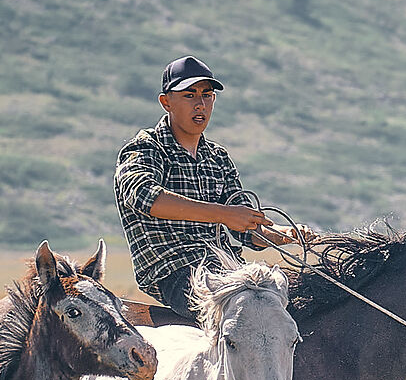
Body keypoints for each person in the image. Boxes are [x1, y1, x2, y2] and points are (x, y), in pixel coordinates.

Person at [114, 55, 307, 327]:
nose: (200, 104)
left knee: (302, 302)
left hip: (226, 266)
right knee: (248, 311)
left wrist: (284, 234)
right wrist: (223, 214)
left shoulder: (218, 157)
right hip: (175, 272)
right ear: (166, 102)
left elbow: (246, 229)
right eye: (189, 95)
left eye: (207, 95)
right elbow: (144, 196)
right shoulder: (146, 148)